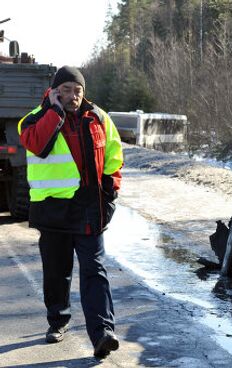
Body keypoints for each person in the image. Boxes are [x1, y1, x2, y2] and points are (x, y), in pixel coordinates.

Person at [18, 66, 123, 359]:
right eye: (66, 90)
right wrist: (54, 112)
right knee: (57, 271)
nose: (73, 96)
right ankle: (58, 320)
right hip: (53, 210)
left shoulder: (99, 118)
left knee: (95, 270)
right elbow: (38, 145)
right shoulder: (33, 120)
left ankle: (103, 333)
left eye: (78, 90)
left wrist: (110, 190)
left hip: (90, 207)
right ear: (54, 91)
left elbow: (115, 155)